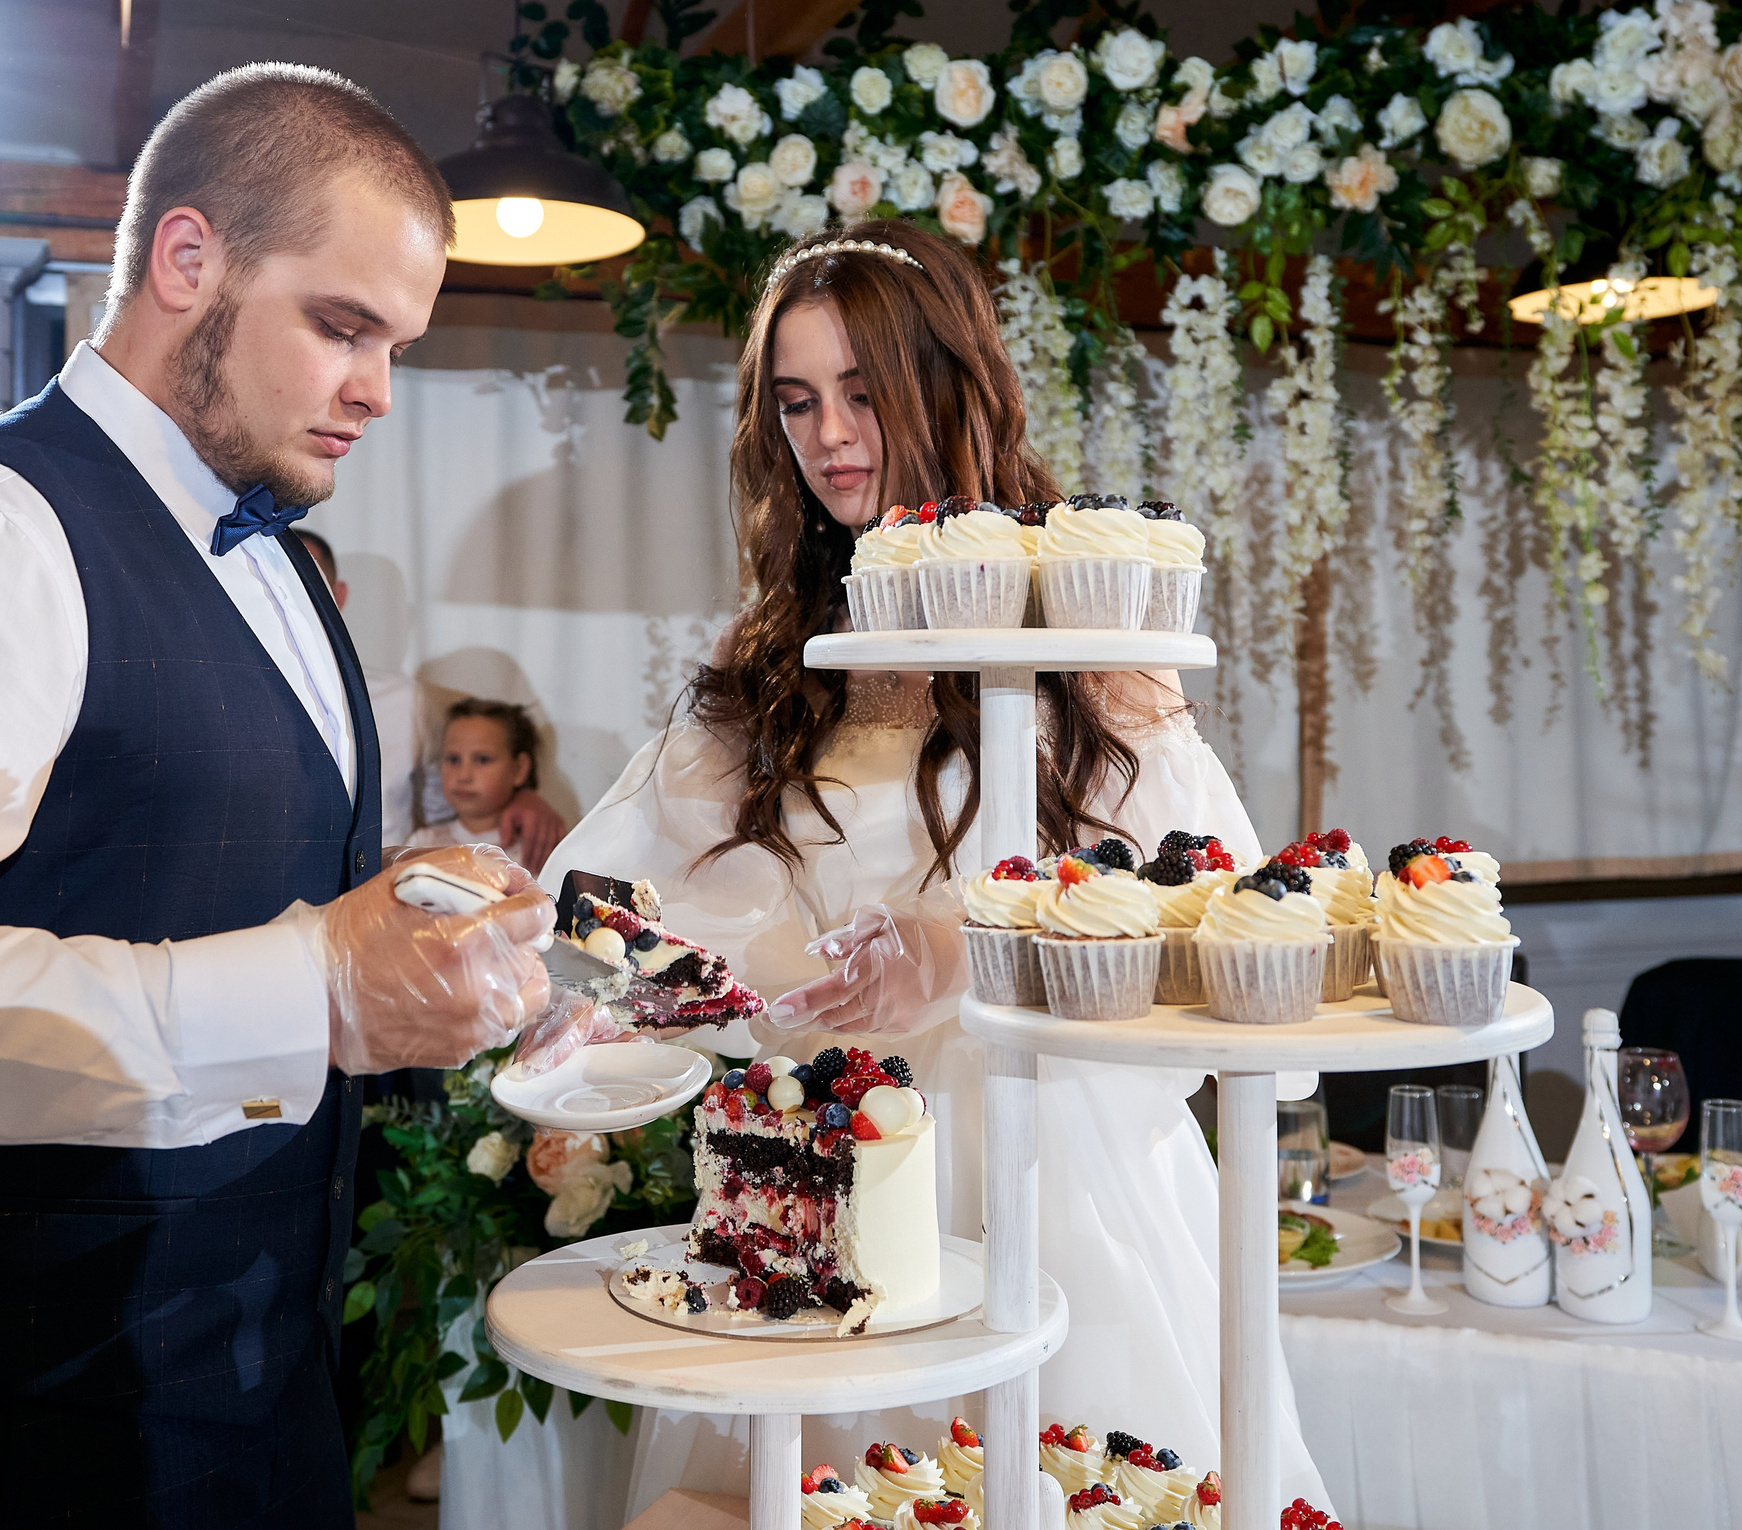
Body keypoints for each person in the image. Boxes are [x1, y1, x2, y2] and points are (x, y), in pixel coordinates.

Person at [0, 63, 555, 1530]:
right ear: (187, 258)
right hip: (13, 1425)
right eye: (342, 327)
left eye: (396, 346)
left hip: (256, 1383)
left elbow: (194, 860)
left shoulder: (275, 550)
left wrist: (432, 930)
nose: (377, 391)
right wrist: (314, 987)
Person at [496, 221, 1325, 1526]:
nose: (829, 435)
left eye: (863, 391)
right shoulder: (777, 649)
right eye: (796, 401)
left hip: (1050, 1168)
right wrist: (630, 995)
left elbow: (1215, 912)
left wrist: (952, 956)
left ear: (950, 383)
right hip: (824, 1179)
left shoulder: (1081, 611)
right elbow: (628, 894)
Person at [293, 527, 565, 871]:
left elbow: (470, 774)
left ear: (338, 596)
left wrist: (524, 795)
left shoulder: (409, 700)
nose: (290, 599)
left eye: (306, 582)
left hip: (386, 885)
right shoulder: (233, 702)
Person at [406, 699, 543, 852]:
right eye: (453, 759)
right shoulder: (422, 845)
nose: (463, 776)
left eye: (482, 760)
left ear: (519, 769)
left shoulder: (538, 849)